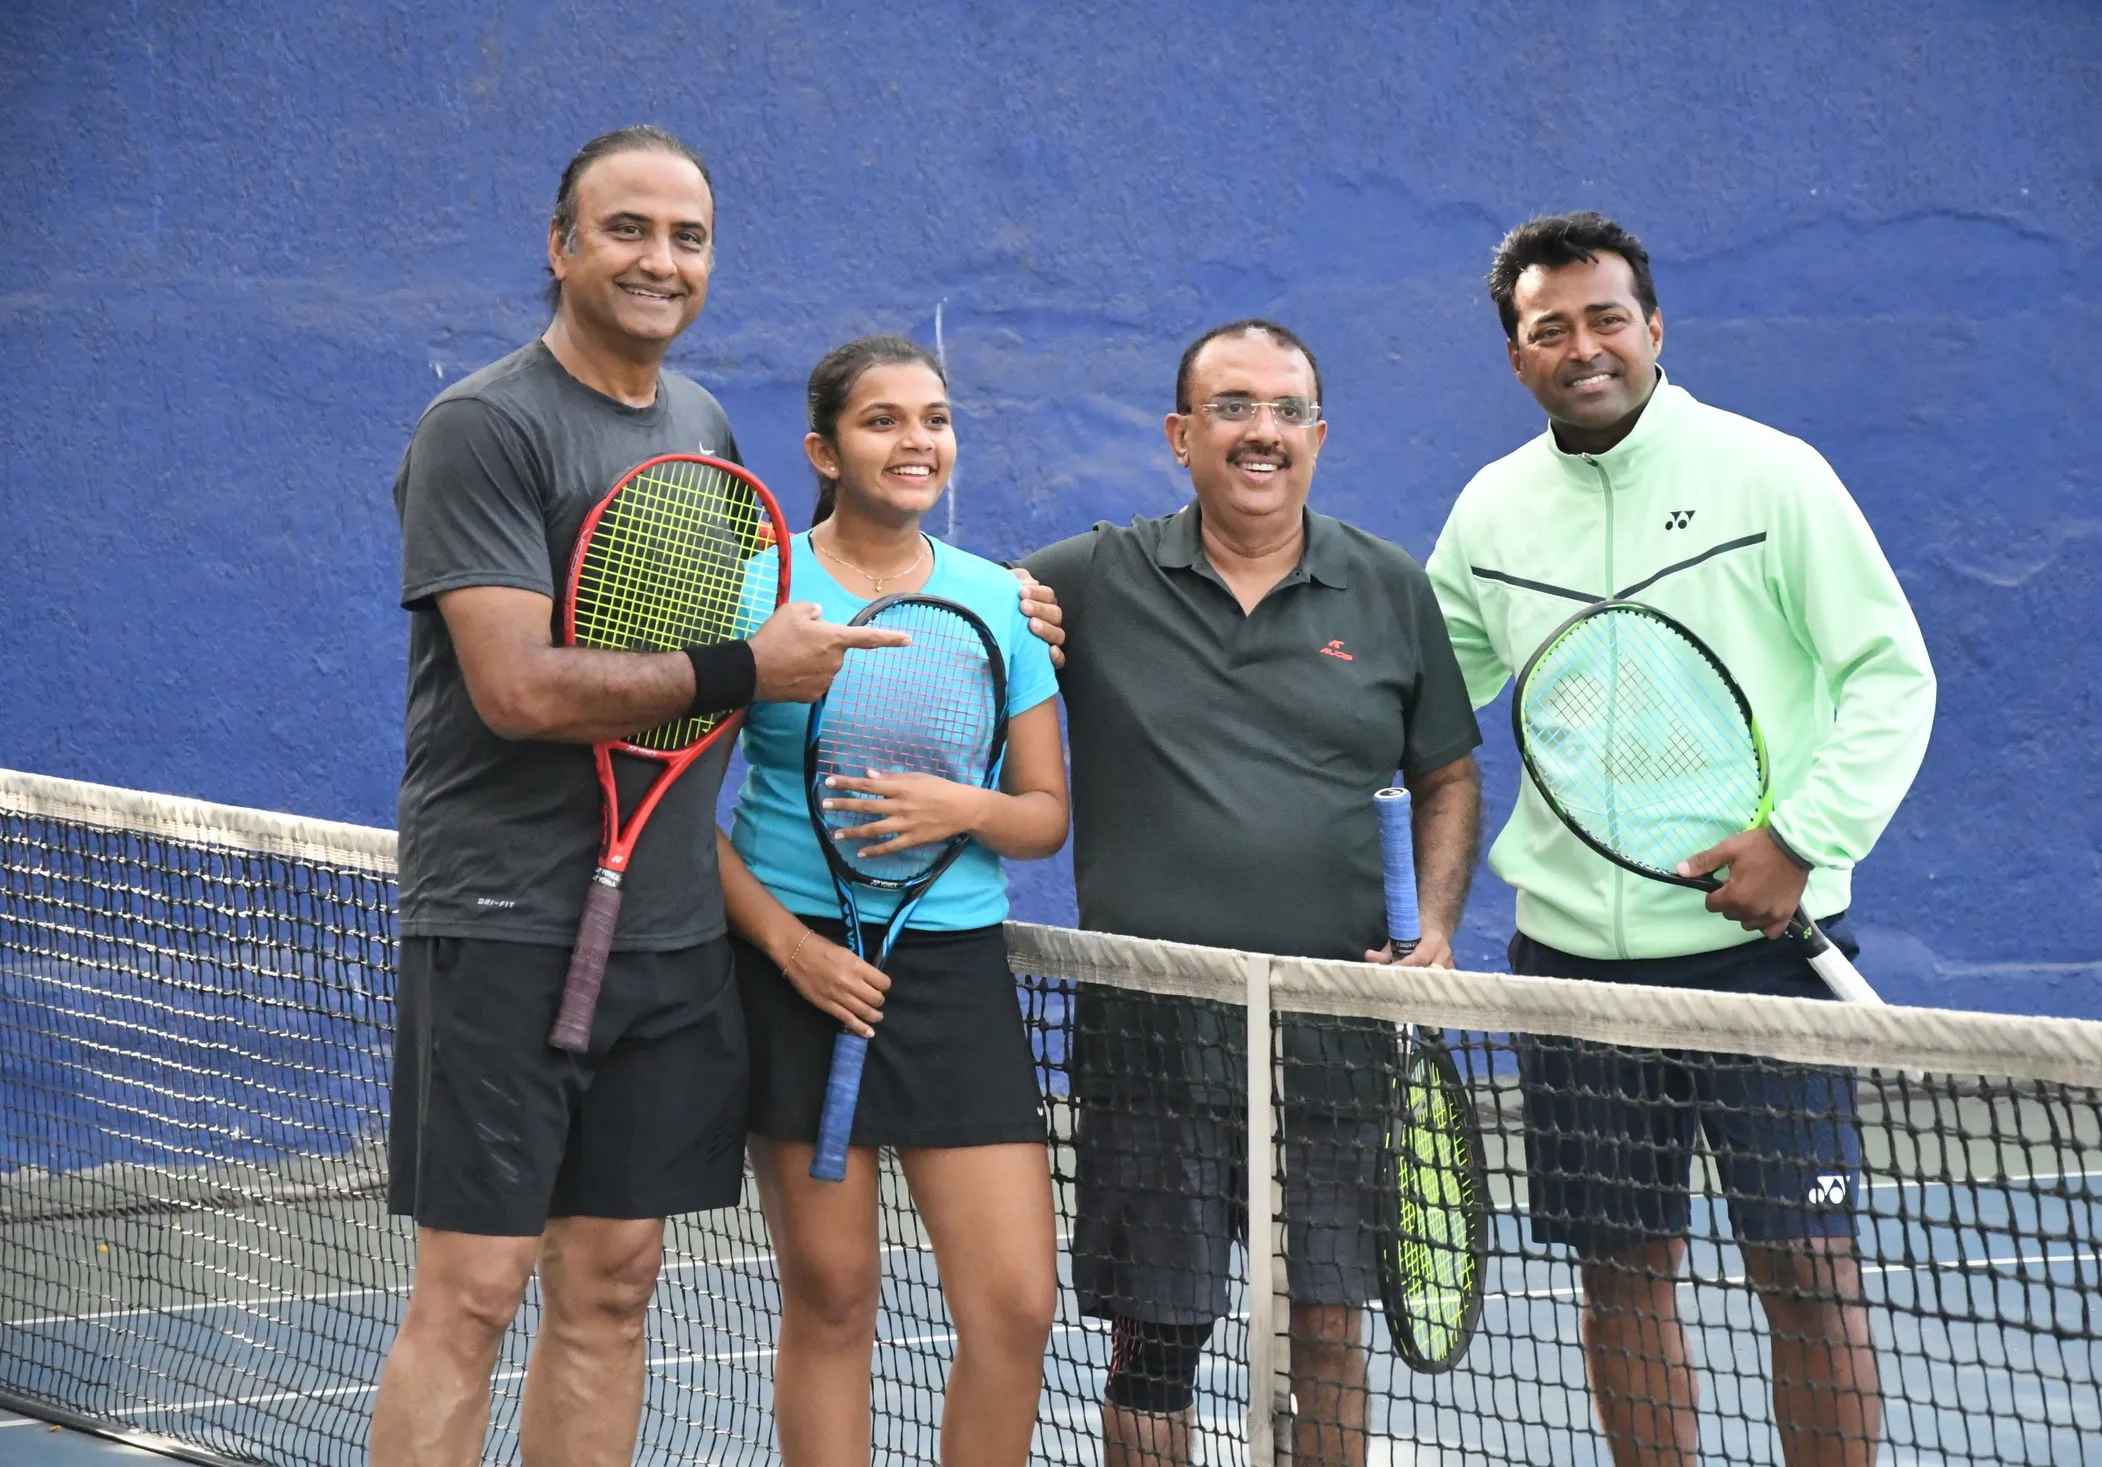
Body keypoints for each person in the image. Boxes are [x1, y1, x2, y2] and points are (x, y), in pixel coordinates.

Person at [375, 128, 904, 1467]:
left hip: (667, 933)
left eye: (688, 236)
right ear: (561, 248)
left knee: (613, 1283)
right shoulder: (484, 429)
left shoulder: (702, 429)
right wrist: (742, 664)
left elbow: (780, 622)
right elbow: (516, 685)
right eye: (627, 229)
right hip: (501, 923)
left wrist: (983, 596)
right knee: (476, 1290)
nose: (660, 259)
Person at [1426, 211, 1936, 1467]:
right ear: (1516, 357)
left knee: (1810, 1277)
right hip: (1573, 973)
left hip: (1762, 960)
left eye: (1606, 319)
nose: (1582, 347)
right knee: (1620, 1278)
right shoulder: (1492, 513)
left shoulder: (1772, 476)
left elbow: (1890, 673)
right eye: (1550, 329)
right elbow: (1419, 693)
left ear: (1655, 329)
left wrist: (1801, 838)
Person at [1016, 320, 1483, 1467]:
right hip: (1148, 1033)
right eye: (1232, 408)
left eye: (1285, 411)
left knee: (1324, 1325)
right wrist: (996, 613)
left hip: (1334, 1035)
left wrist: (1432, 924)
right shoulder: (1084, 579)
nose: (1260, 432)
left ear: (1318, 436)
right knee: (1153, 1344)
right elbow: (925, 595)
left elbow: (1449, 775)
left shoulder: (1388, 587)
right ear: (1182, 436)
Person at [715, 335, 1069, 1467]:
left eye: (934, 418)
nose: (915, 441)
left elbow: (1043, 811)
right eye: (882, 420)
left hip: (950, 972)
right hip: (798, 966)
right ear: (824, 447)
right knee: (830, 1296)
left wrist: (958, 810)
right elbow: (680, 812)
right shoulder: (758, 594)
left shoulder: (997, 602)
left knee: (1015, 1305)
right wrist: (787, 950)